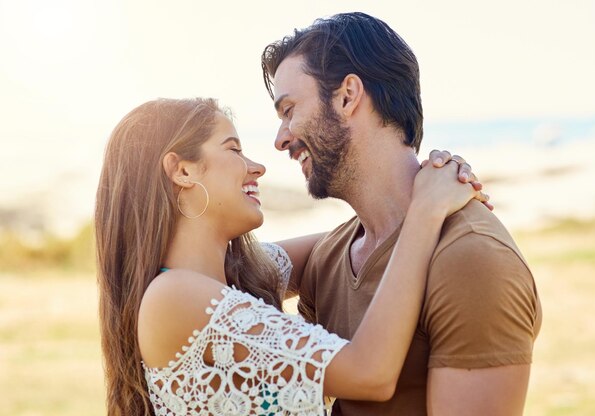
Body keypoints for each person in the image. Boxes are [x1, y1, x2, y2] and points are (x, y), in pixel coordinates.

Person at [94, 97, 486, 415]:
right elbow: (371, 374)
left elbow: (364, 235)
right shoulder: (174, 297)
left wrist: (424, 185)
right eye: (234, 149)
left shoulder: (233, 277)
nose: (258, 167)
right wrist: (426, 211)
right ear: (182, 171)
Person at [261, 12, 542, 416]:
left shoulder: (473, 259)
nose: (281, 138)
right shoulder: (329, 257)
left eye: (289, 110)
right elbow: (221, 271)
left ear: (347, 96)